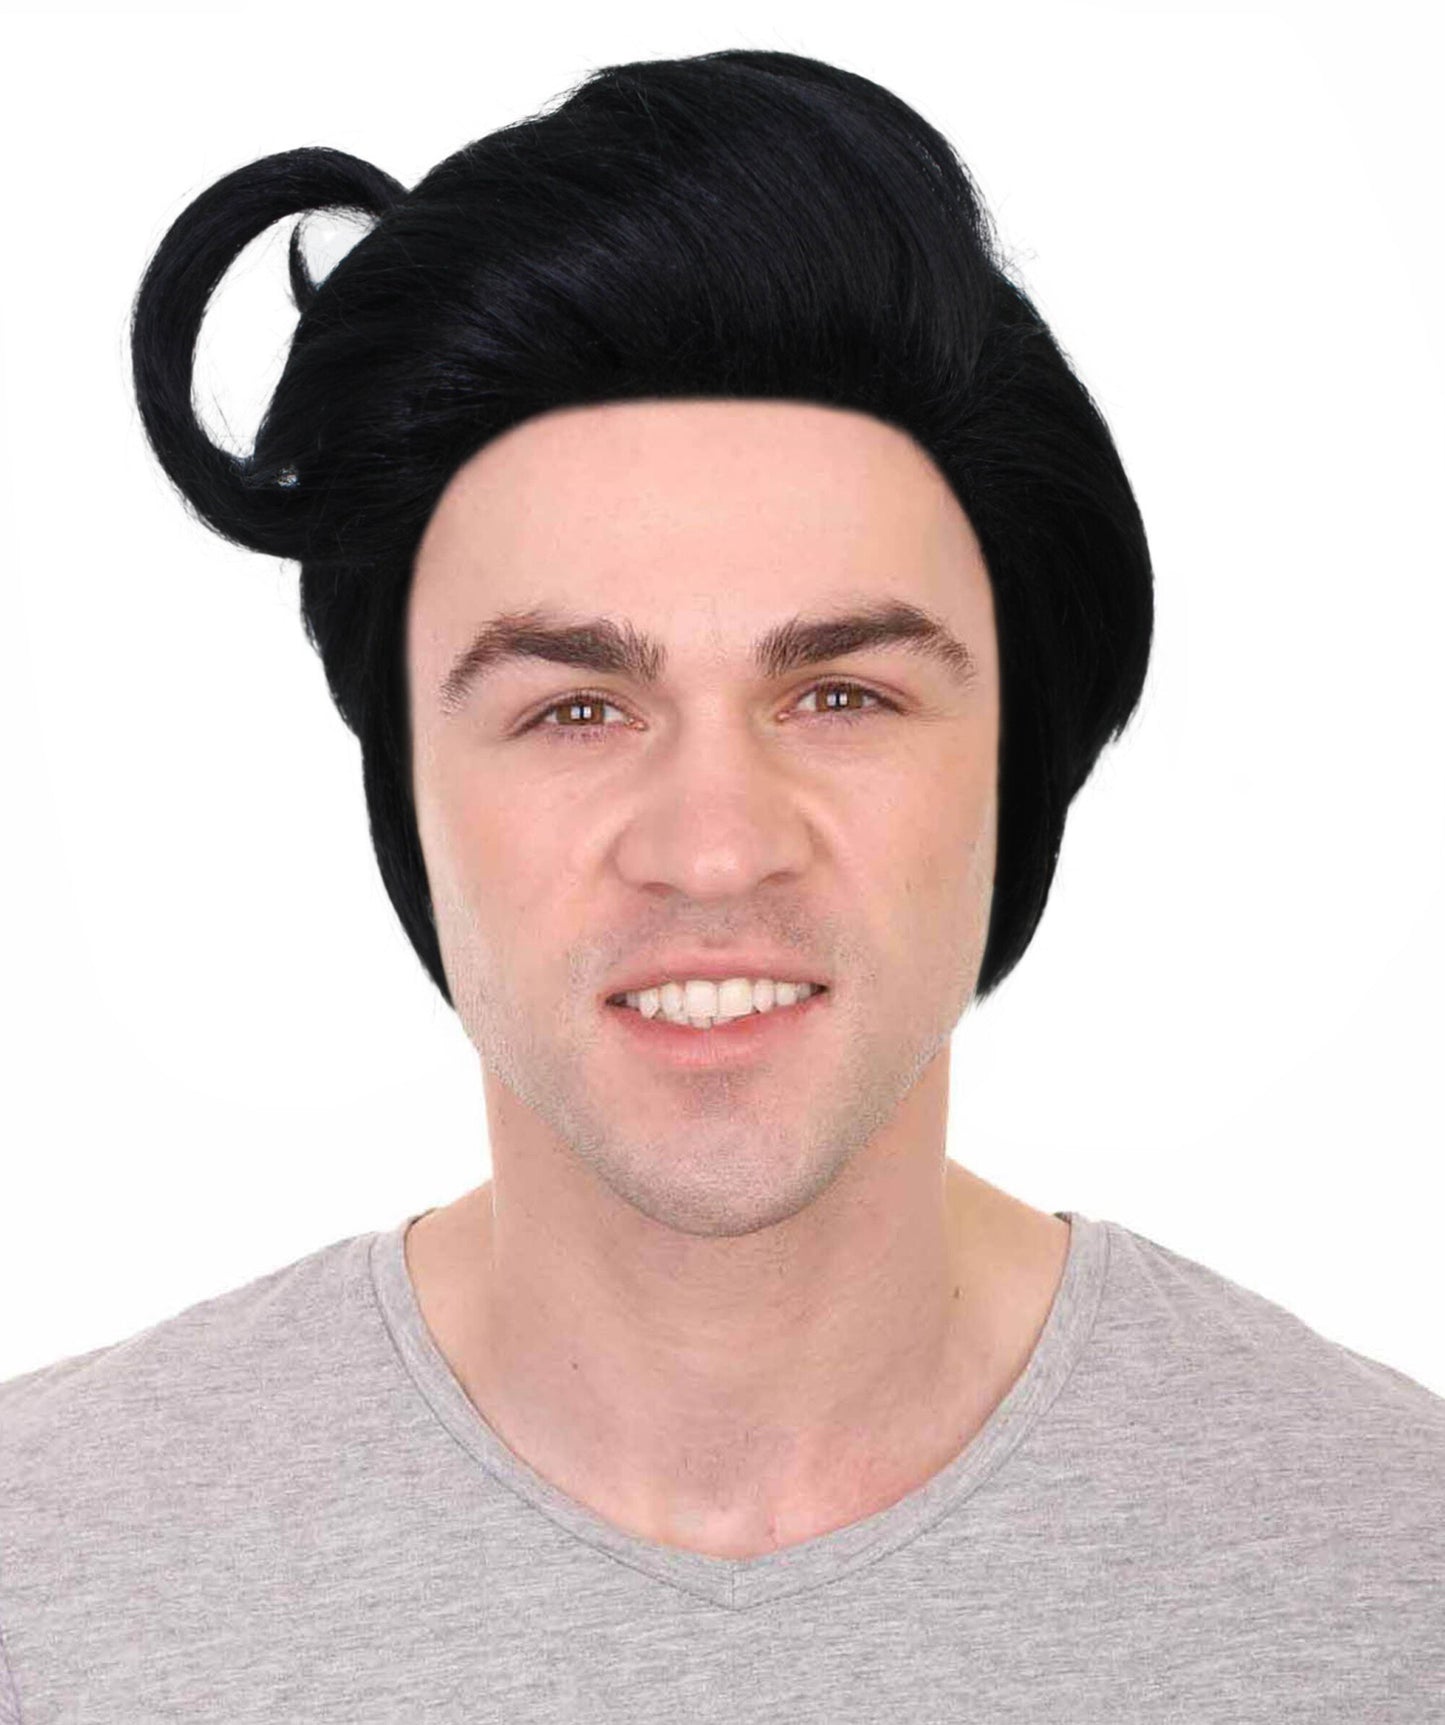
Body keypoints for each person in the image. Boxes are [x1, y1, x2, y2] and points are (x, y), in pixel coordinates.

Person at [1, 46, 1439, 1722]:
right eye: (575, 709)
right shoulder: (48, 1577)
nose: (710, 846)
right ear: (409, 790)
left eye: (839, 696)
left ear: (1013, 760)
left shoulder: (1393, 1571)